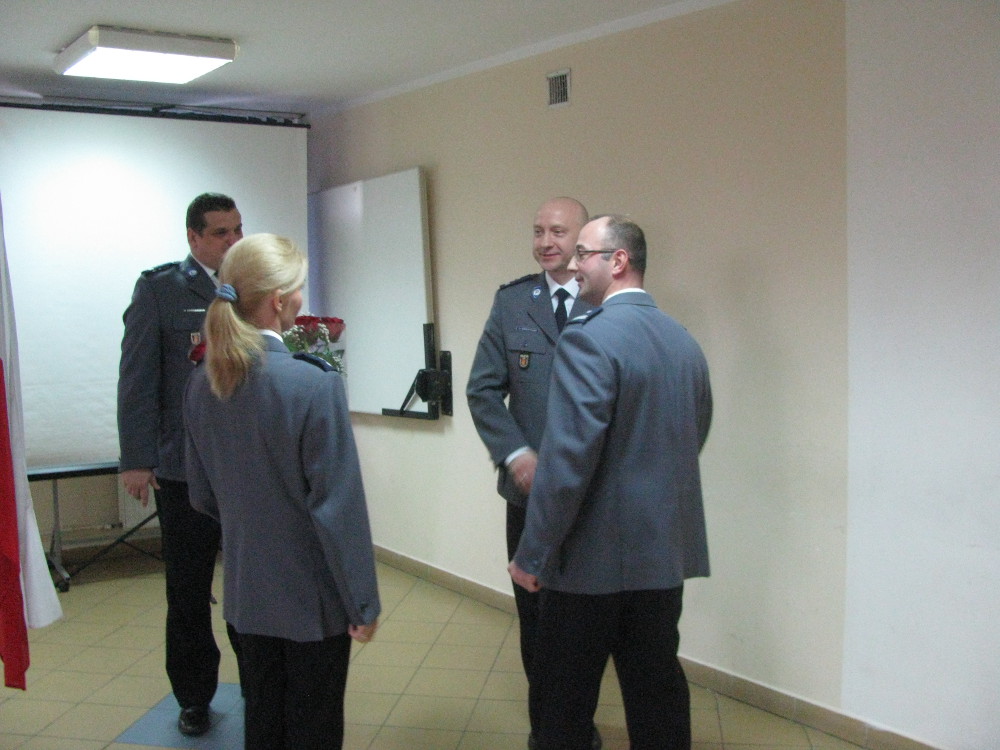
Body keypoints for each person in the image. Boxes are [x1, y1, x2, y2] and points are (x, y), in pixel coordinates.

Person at [509, 215, 712, 750]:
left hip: (589, 566)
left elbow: (567, 463)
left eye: (583, 253)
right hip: (661, 558)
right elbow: (692, 436)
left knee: (562, 703)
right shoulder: (684, 342)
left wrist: (532, 555)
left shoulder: (588, 339)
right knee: (657, 692)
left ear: (618, 261)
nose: (573, 265)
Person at [183, 233, 380, 750]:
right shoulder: (312, 384)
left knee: (264, 721)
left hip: (246, 594)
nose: (300, 298)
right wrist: (362, 602)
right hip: (311, 602)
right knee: (314, 727)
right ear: (277, 300)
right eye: (297, 288)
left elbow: (201, 495)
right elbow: (337, 510)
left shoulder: (202, 383)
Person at [467, 197, 601, 749]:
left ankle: (578, 725)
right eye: (538, 231)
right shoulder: (513, 303)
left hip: (593, 500)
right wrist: (516, 453)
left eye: (558, 232)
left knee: (586, 621)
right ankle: (547, 729)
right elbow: (481, 390)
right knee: (537, 618)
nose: (546, 242)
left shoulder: (605, 301)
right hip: (529, 499)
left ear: (583, 240)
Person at [117, 192, 244, 736]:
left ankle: (262, 683)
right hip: (184, 467)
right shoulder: (160, 290)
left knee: (252, 585)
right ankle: (194, 697)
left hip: (245, 467)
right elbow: (137, 379)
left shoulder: (251, 284)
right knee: (188, 590)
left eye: (238, 230)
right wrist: (137, 459)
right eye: (221, 233)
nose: (233, 241)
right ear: (193, 237)